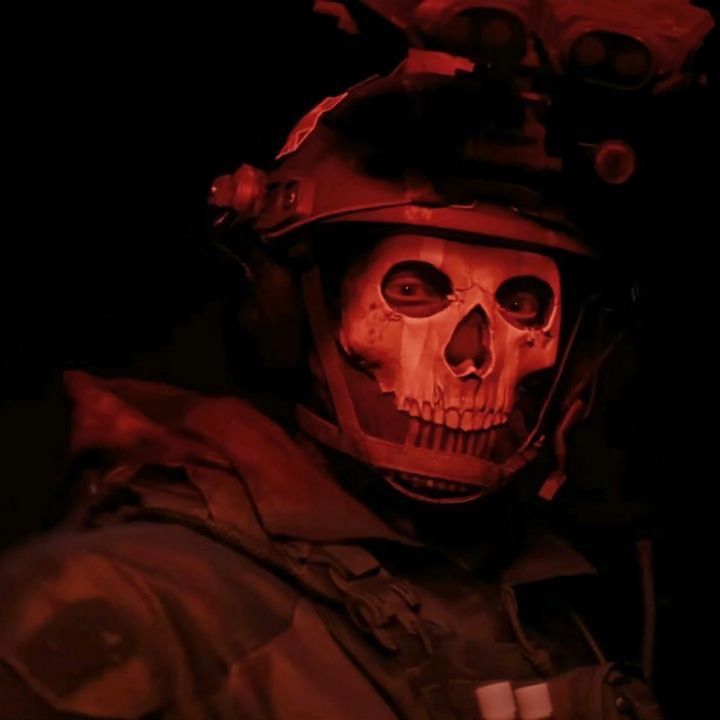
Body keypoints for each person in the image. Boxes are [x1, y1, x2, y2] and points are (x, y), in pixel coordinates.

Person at [3, 2, 713, 717]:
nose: (471, 356)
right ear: (290, 315)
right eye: (413, 290)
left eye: (522, 305)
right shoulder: (136, 606)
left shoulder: (558, 607)